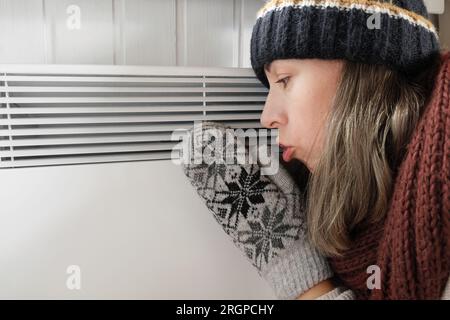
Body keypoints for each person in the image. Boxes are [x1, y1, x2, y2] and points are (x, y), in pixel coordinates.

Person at [181, 0, 450, 299]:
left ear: (364, 76)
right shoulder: (353, 208)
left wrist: (296, 269)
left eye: (284, 79)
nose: (267, 117)